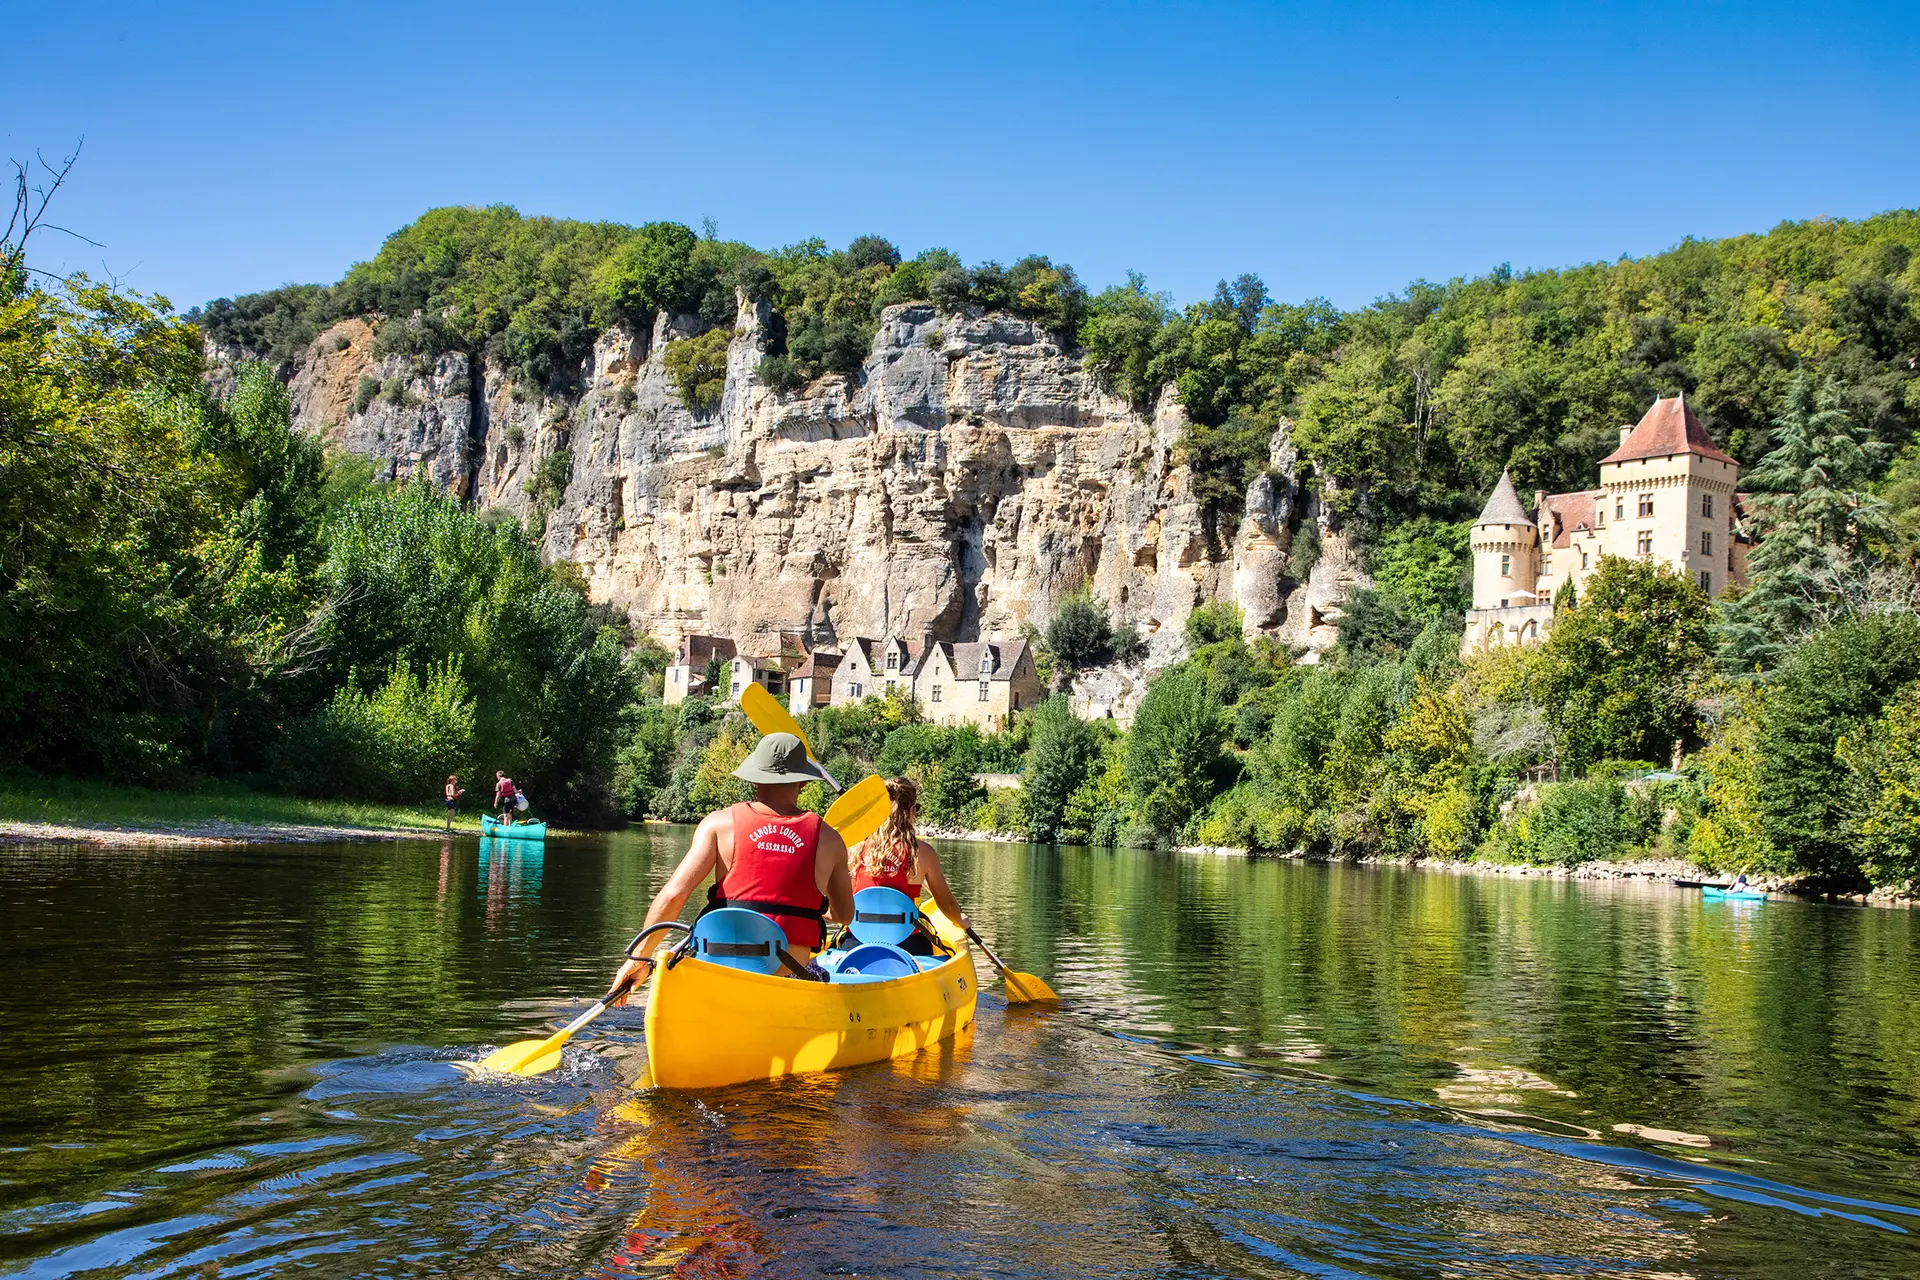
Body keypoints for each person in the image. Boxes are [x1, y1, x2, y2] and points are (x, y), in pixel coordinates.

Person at [610, 732, 854, 996]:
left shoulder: (718, 824)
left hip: (720, 973)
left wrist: (639, 959)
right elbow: (845, 916)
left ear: (754, 778)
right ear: (804, 782)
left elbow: (674, 895)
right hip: (788, 978)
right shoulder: (830, 839)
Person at [848, 776, 970, 950]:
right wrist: (960, 920)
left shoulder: (855, 847)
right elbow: (947, 904)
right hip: (907, 944)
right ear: (911, 810)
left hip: (856, 941)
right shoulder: (921, 852)